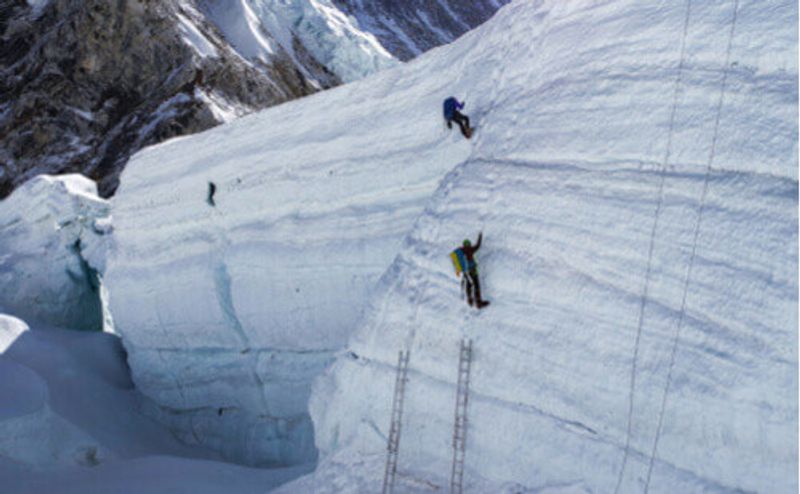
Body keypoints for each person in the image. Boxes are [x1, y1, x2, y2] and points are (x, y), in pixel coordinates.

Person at [460, 232, 489, 308]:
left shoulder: (461, 251)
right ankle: (478, 302)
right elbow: (478, 246)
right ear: (468, 244)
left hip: (466, 272)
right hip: (473, 271)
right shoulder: (471, 249)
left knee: (468, 286)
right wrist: (480, 236)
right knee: (476, 285)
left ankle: (470, 300)